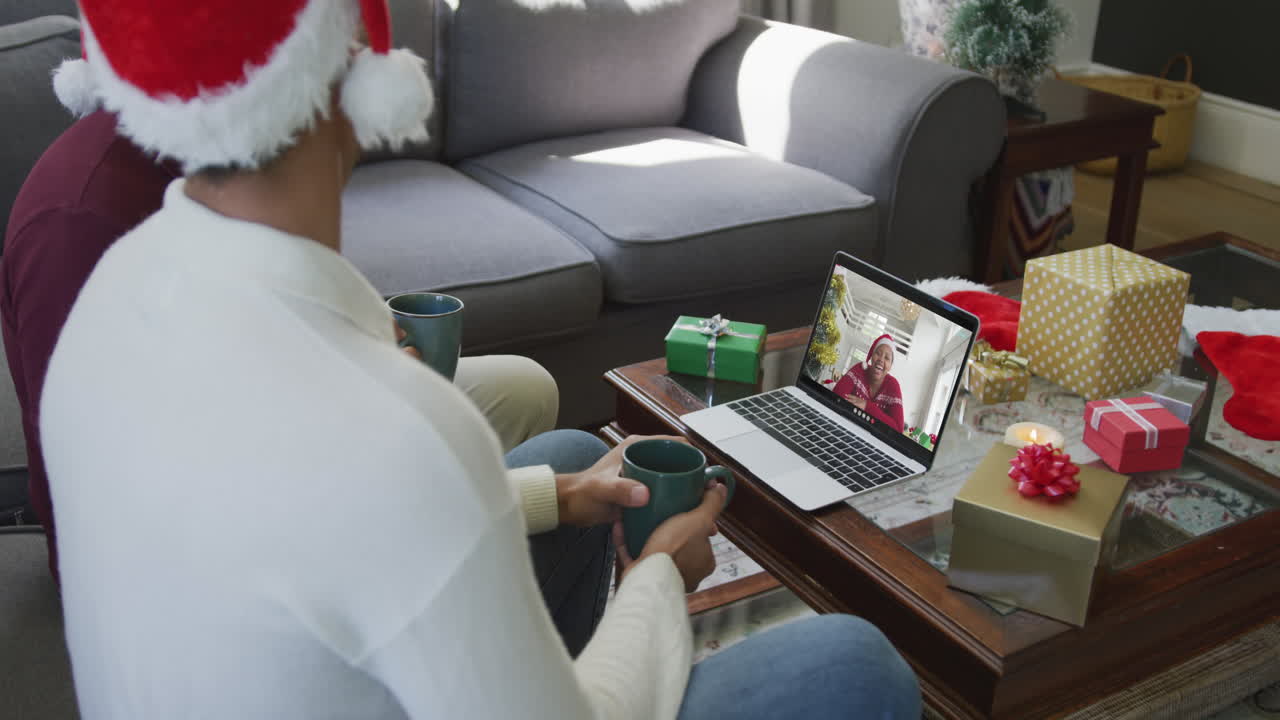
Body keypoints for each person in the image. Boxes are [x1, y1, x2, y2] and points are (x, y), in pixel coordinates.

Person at [39, 1, 922, 718]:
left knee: (575, 464)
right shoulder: (398, 438)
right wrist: (657, 581)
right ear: (352, 62)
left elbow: (286, 518)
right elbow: (366, 498)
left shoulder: (109, 298)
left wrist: (553, 496)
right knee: (855, 662)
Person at [1, 109, 557, 584]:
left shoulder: (218, 151)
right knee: (568, 469)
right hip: (169, 558)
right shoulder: (81, 222)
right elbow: (129, 493)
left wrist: (343, 339)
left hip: (262, 440)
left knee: (524, 389)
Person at [833, 333, 906, 433]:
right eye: (878, 353)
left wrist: (868, 406)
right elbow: (836, 397)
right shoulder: (859, 369)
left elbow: (898, 430)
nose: (881, 359)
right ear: (872, 356)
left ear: (890, 366)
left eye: (887, 358)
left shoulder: (893, 386)